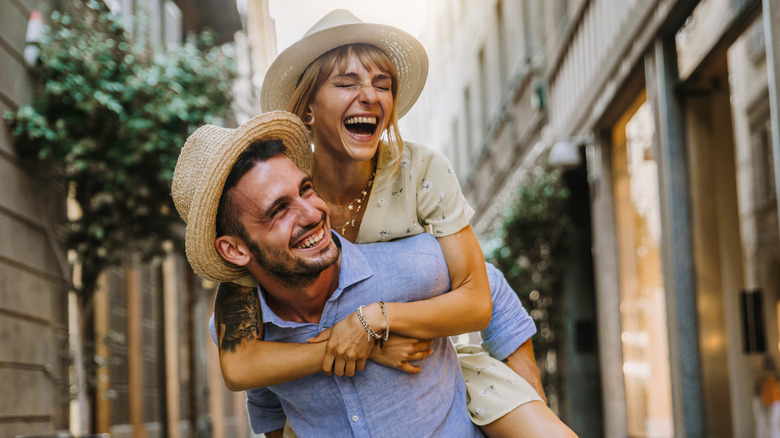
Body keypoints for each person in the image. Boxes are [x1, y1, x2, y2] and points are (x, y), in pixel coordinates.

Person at [238, 8, 568, 436]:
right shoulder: (287, 198)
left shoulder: (422, 170)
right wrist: (370, 347)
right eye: (345, 83)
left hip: (448, 382)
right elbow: (254, 353)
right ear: (308, 108)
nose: (370, 96)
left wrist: (375, 320)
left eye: (382, 84)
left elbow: (482, 293)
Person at [170, 111, 575, 437]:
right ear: (234, 249)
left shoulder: (407, 265)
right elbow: (266, 401)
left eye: (307, 189)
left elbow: (492, 292)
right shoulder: (245, 332)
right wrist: (365, 348)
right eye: (278, 210)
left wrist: (529, 409)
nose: (312, 214)